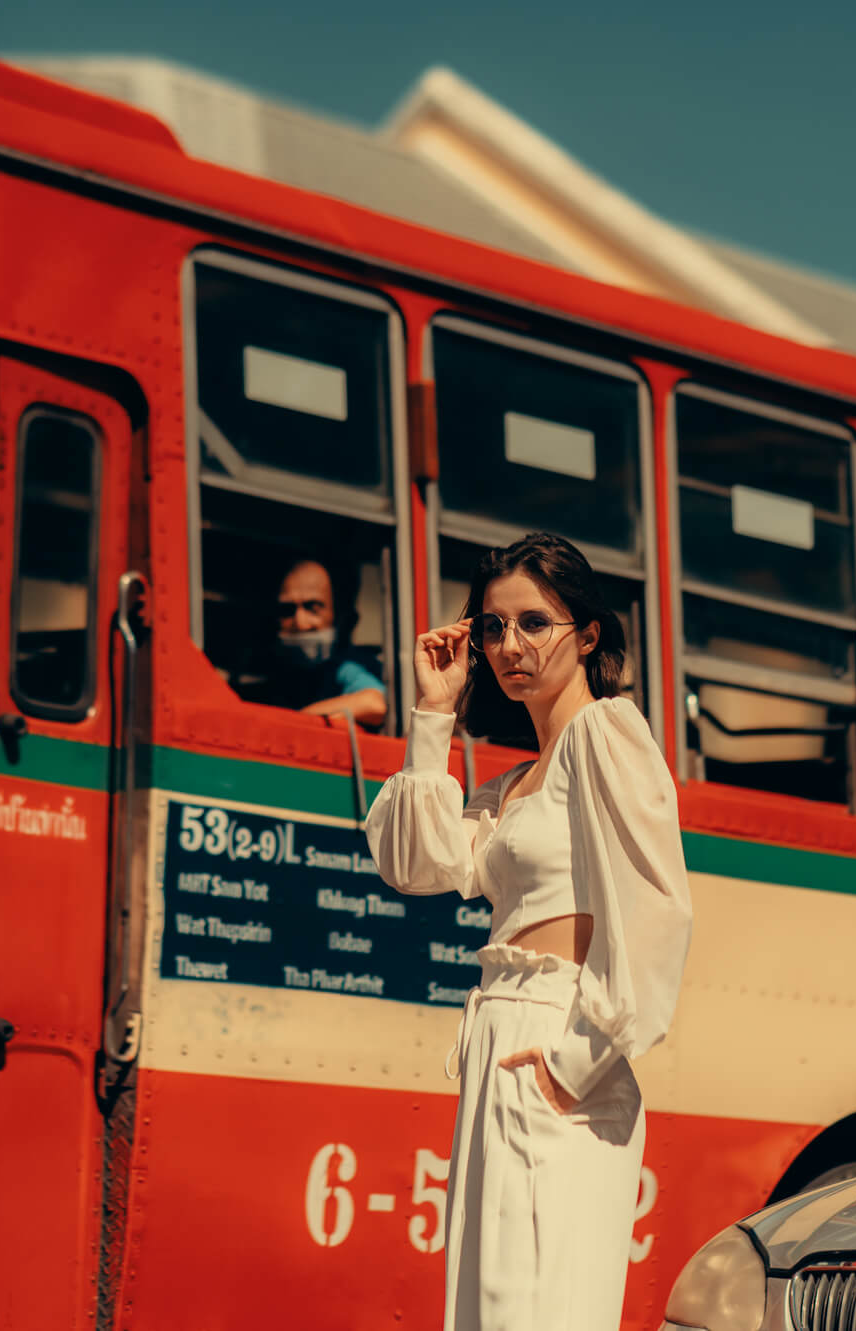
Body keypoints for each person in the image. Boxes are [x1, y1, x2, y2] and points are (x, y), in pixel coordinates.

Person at [364, 532, 693, 1331]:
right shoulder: (514, 783)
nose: (510, 644)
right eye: (491, 626)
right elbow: (416, 863)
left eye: (534, 623)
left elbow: (660, 906)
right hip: (500, 1044)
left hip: (558, 1040)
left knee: (538, 1310)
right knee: (488, 1311)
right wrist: (433, 712)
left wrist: (573, 1062)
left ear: (586, 634)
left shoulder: (603, 733)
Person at [235, 557, 387, 729]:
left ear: (339, 618)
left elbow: (376, 704)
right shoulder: (276, 670)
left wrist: (298, 721)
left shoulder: (347, 665)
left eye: (313, 609)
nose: (300, 622)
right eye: (287, 610)